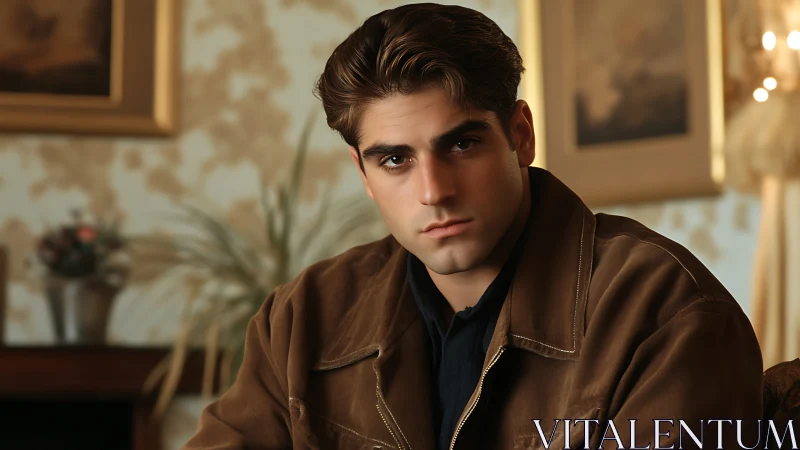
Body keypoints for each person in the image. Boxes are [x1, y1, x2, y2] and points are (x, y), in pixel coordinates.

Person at [183, 3, 763, 449]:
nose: (434, 191)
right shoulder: (301, 317)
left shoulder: (659, 310)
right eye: (395, 159)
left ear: (520, 137)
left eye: (461, 144)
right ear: (362, 172)